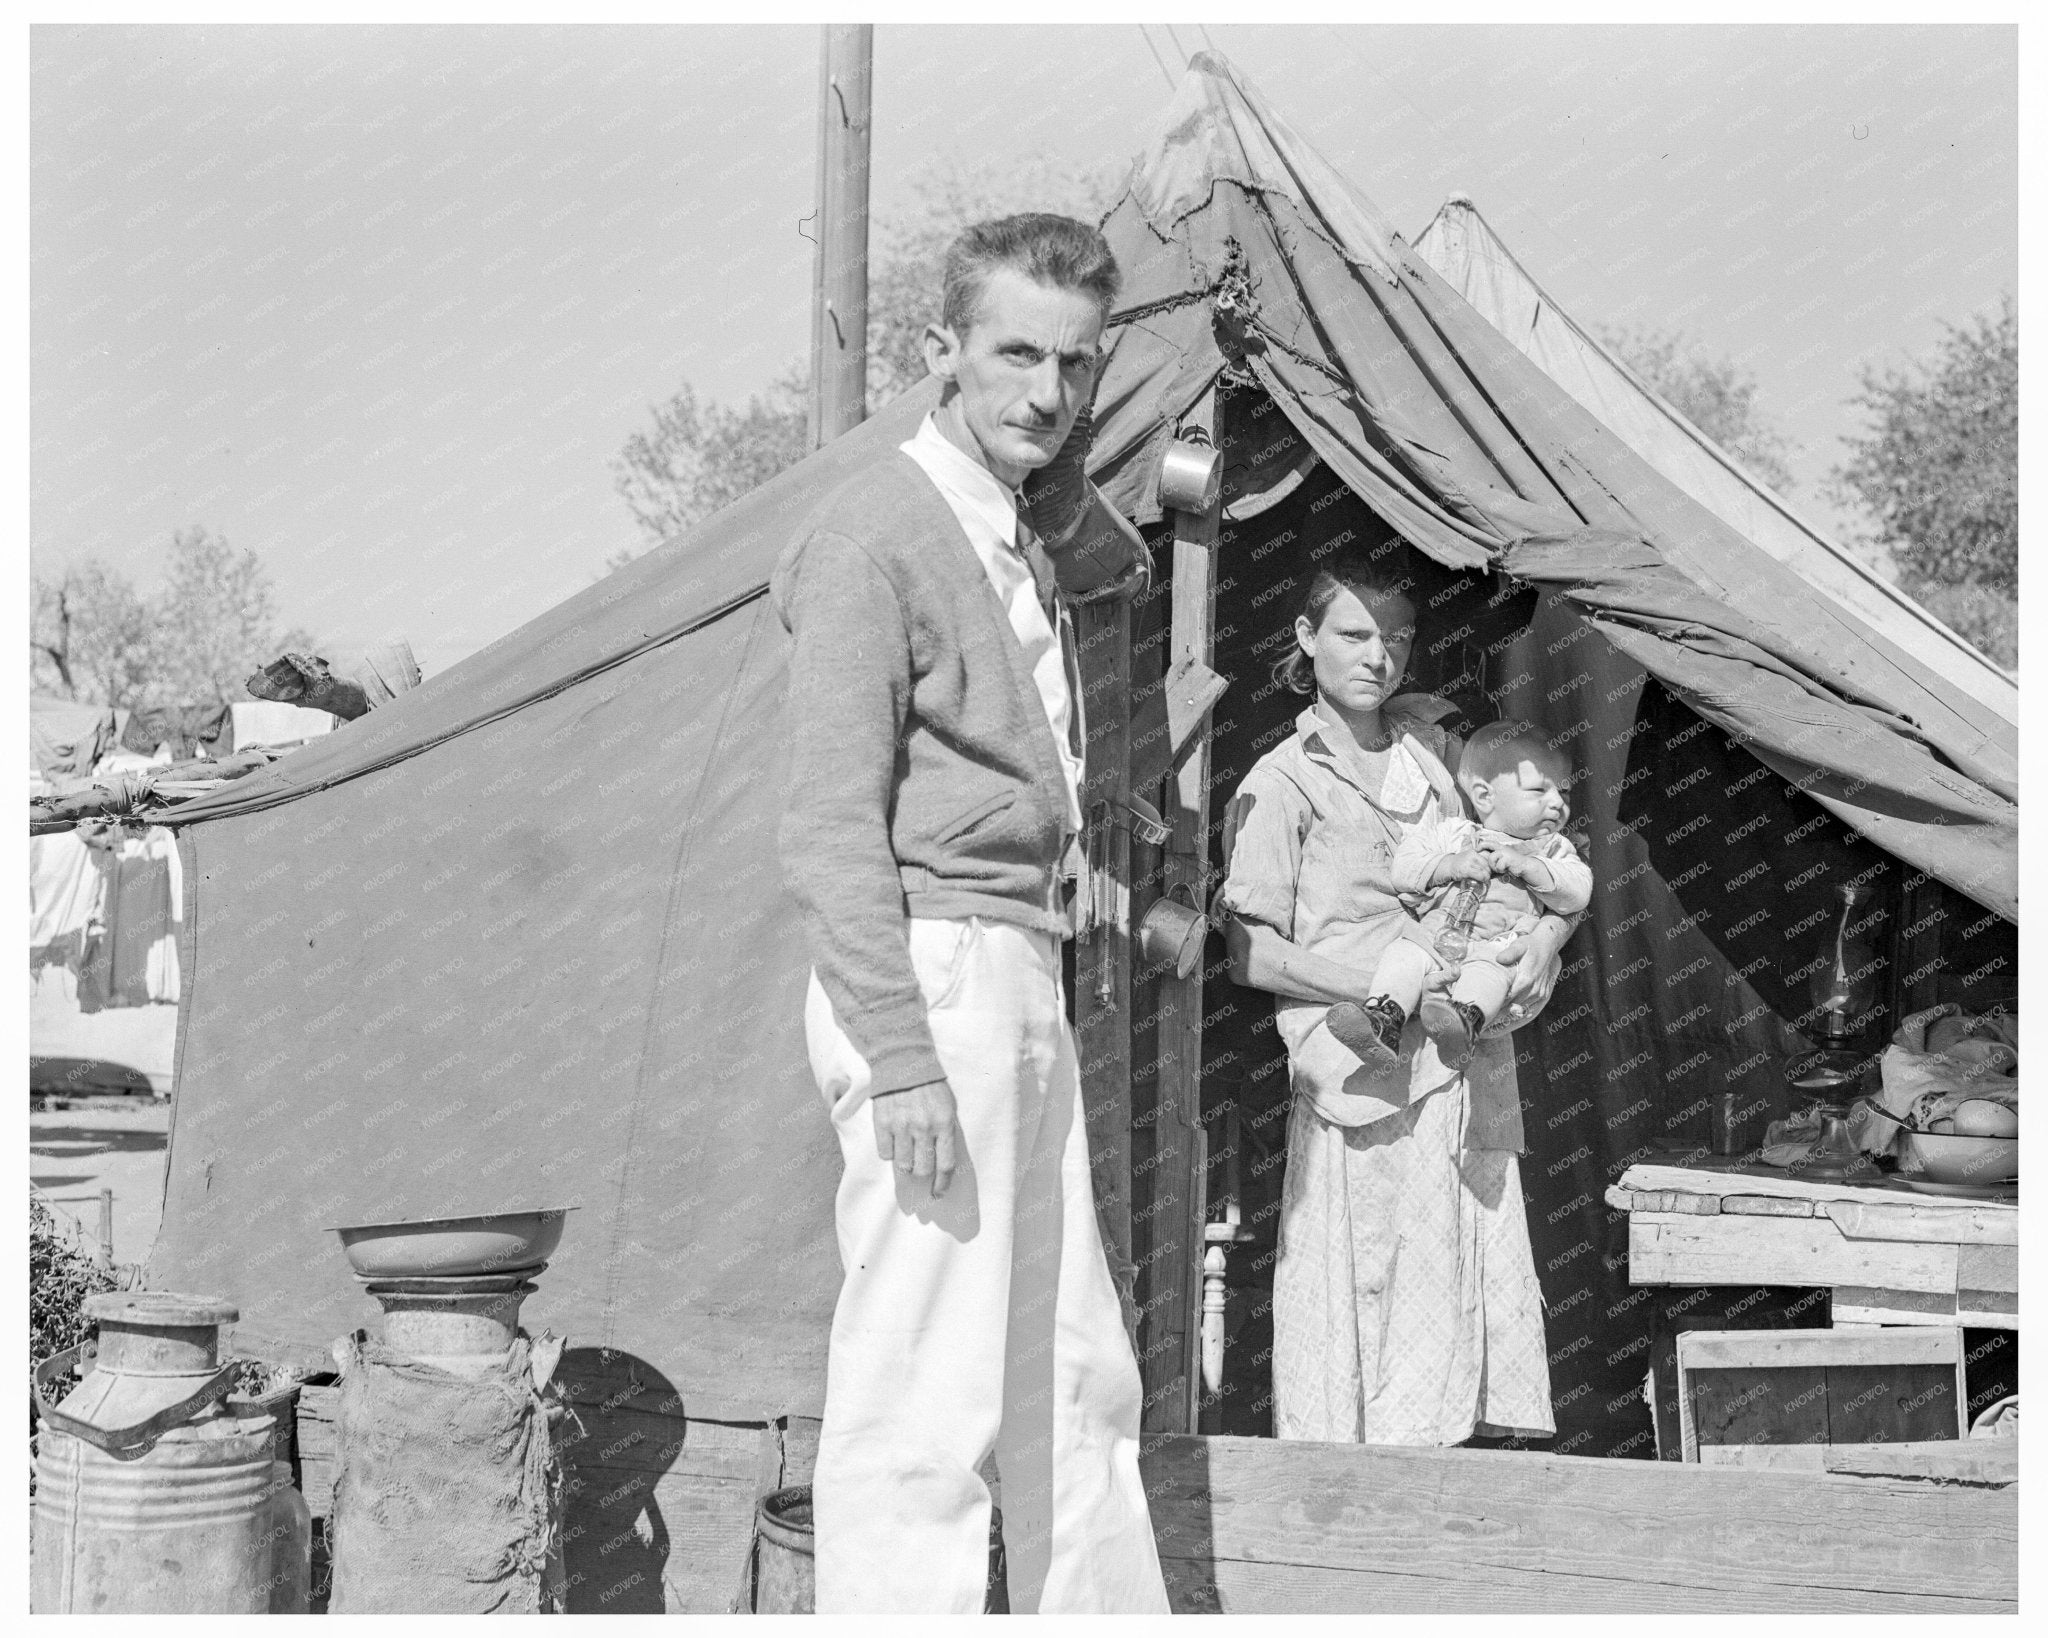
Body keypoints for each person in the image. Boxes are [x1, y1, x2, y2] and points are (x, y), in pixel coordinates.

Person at [771, 214, 1169, 1614]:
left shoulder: (1013, 527)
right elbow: (827, 825)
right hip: (931, 974)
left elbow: (1112, 566)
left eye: (1073, 362)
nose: (1046, 393)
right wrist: (899, 1052)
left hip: (1017, 963)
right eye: (1012, 353)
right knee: (925, 1385)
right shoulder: (874, 534)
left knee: (1069, 1363)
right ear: (940, 352)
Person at [1218, 542, 1577, 1446]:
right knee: (1361, 1302)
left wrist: (1546, 938)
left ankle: (1438, 1526)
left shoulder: (1440, 755)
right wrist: (1384, 990)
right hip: (1358, 1080)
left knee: (1447, 1304)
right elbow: (1250, 953)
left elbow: (1530, 865)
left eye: (1397, 639)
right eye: (1353, 634)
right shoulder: (1281, 781)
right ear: (1307, 638)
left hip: (1460, 1069)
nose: (1377, 657)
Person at [1330, 720, 1591, 1071]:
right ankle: (1382, 1019)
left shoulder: (1554, 848)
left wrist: (1529, 867)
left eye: (1565, 793)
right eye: (1539, 791)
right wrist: (1448, 865)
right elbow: (1404, 869)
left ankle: (1464, 1021)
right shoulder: (1453, 832)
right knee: (1405, 954)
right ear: (1484, 796)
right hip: (1438, 934)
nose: (1558, 804)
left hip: (1497, 944)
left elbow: (1578, 892)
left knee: (1493, 972)